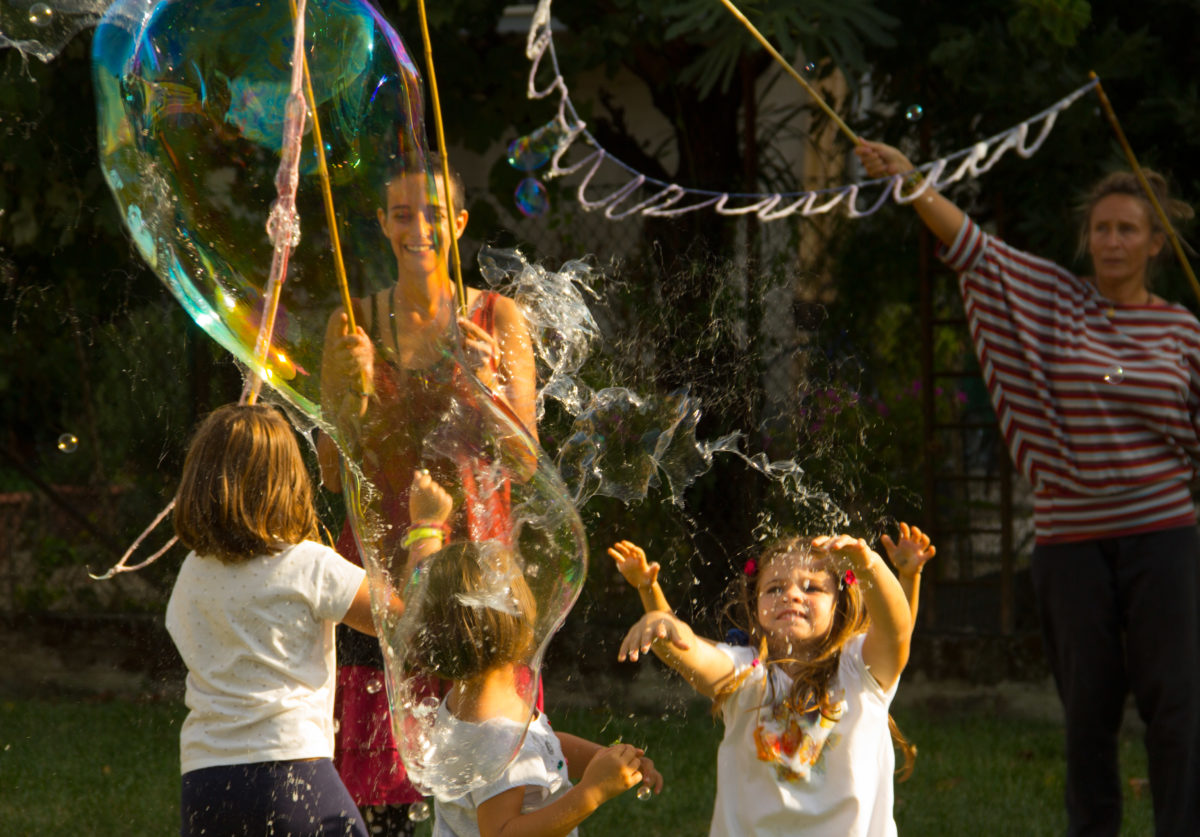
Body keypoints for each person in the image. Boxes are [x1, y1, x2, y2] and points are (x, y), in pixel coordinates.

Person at [856, 138, 1200, 836]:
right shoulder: (1058, 303)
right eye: (1100, 227)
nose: (1111, 240)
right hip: (1071, 544)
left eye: (1127, 228)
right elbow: (975, 249)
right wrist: (912, 182)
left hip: (1165, 540)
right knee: (1088, 714)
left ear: (1156, 242)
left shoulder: (1182, 328)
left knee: (1181, 711)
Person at [317, 155, 540, 834]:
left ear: (460, 222)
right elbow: (331, 471)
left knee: (487, 786)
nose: (420, 227)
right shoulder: (352, 323)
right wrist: (346, 393)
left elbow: (525, 462)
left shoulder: (498, 319)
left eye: (435, 213)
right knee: (381, 800)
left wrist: (490, 389)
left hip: (475, 581)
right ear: (384, 224)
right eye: (404, 213)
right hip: (384, 580)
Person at [166, 403, 389, 837]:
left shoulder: (192, 571)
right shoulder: (309, 564)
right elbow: (398, 621)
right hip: (292, 775)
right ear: (288, 483)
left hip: (205, 783)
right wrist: (425, 532)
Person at [404, 474, 662, 837]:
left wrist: (604, 758)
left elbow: (544, 746)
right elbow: (503, 833)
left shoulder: (469, 705)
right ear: (518, 631)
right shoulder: (499, 739)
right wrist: (591, 793)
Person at [614, 533, 915, 836]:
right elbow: (687, 649)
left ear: (839, 602)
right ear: (755, 603)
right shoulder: (745, 671)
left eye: (811, 587)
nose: (791, 595)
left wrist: (868, 566)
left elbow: (897, 629)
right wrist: (659, 619)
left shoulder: (859, 670)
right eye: (774, 588)